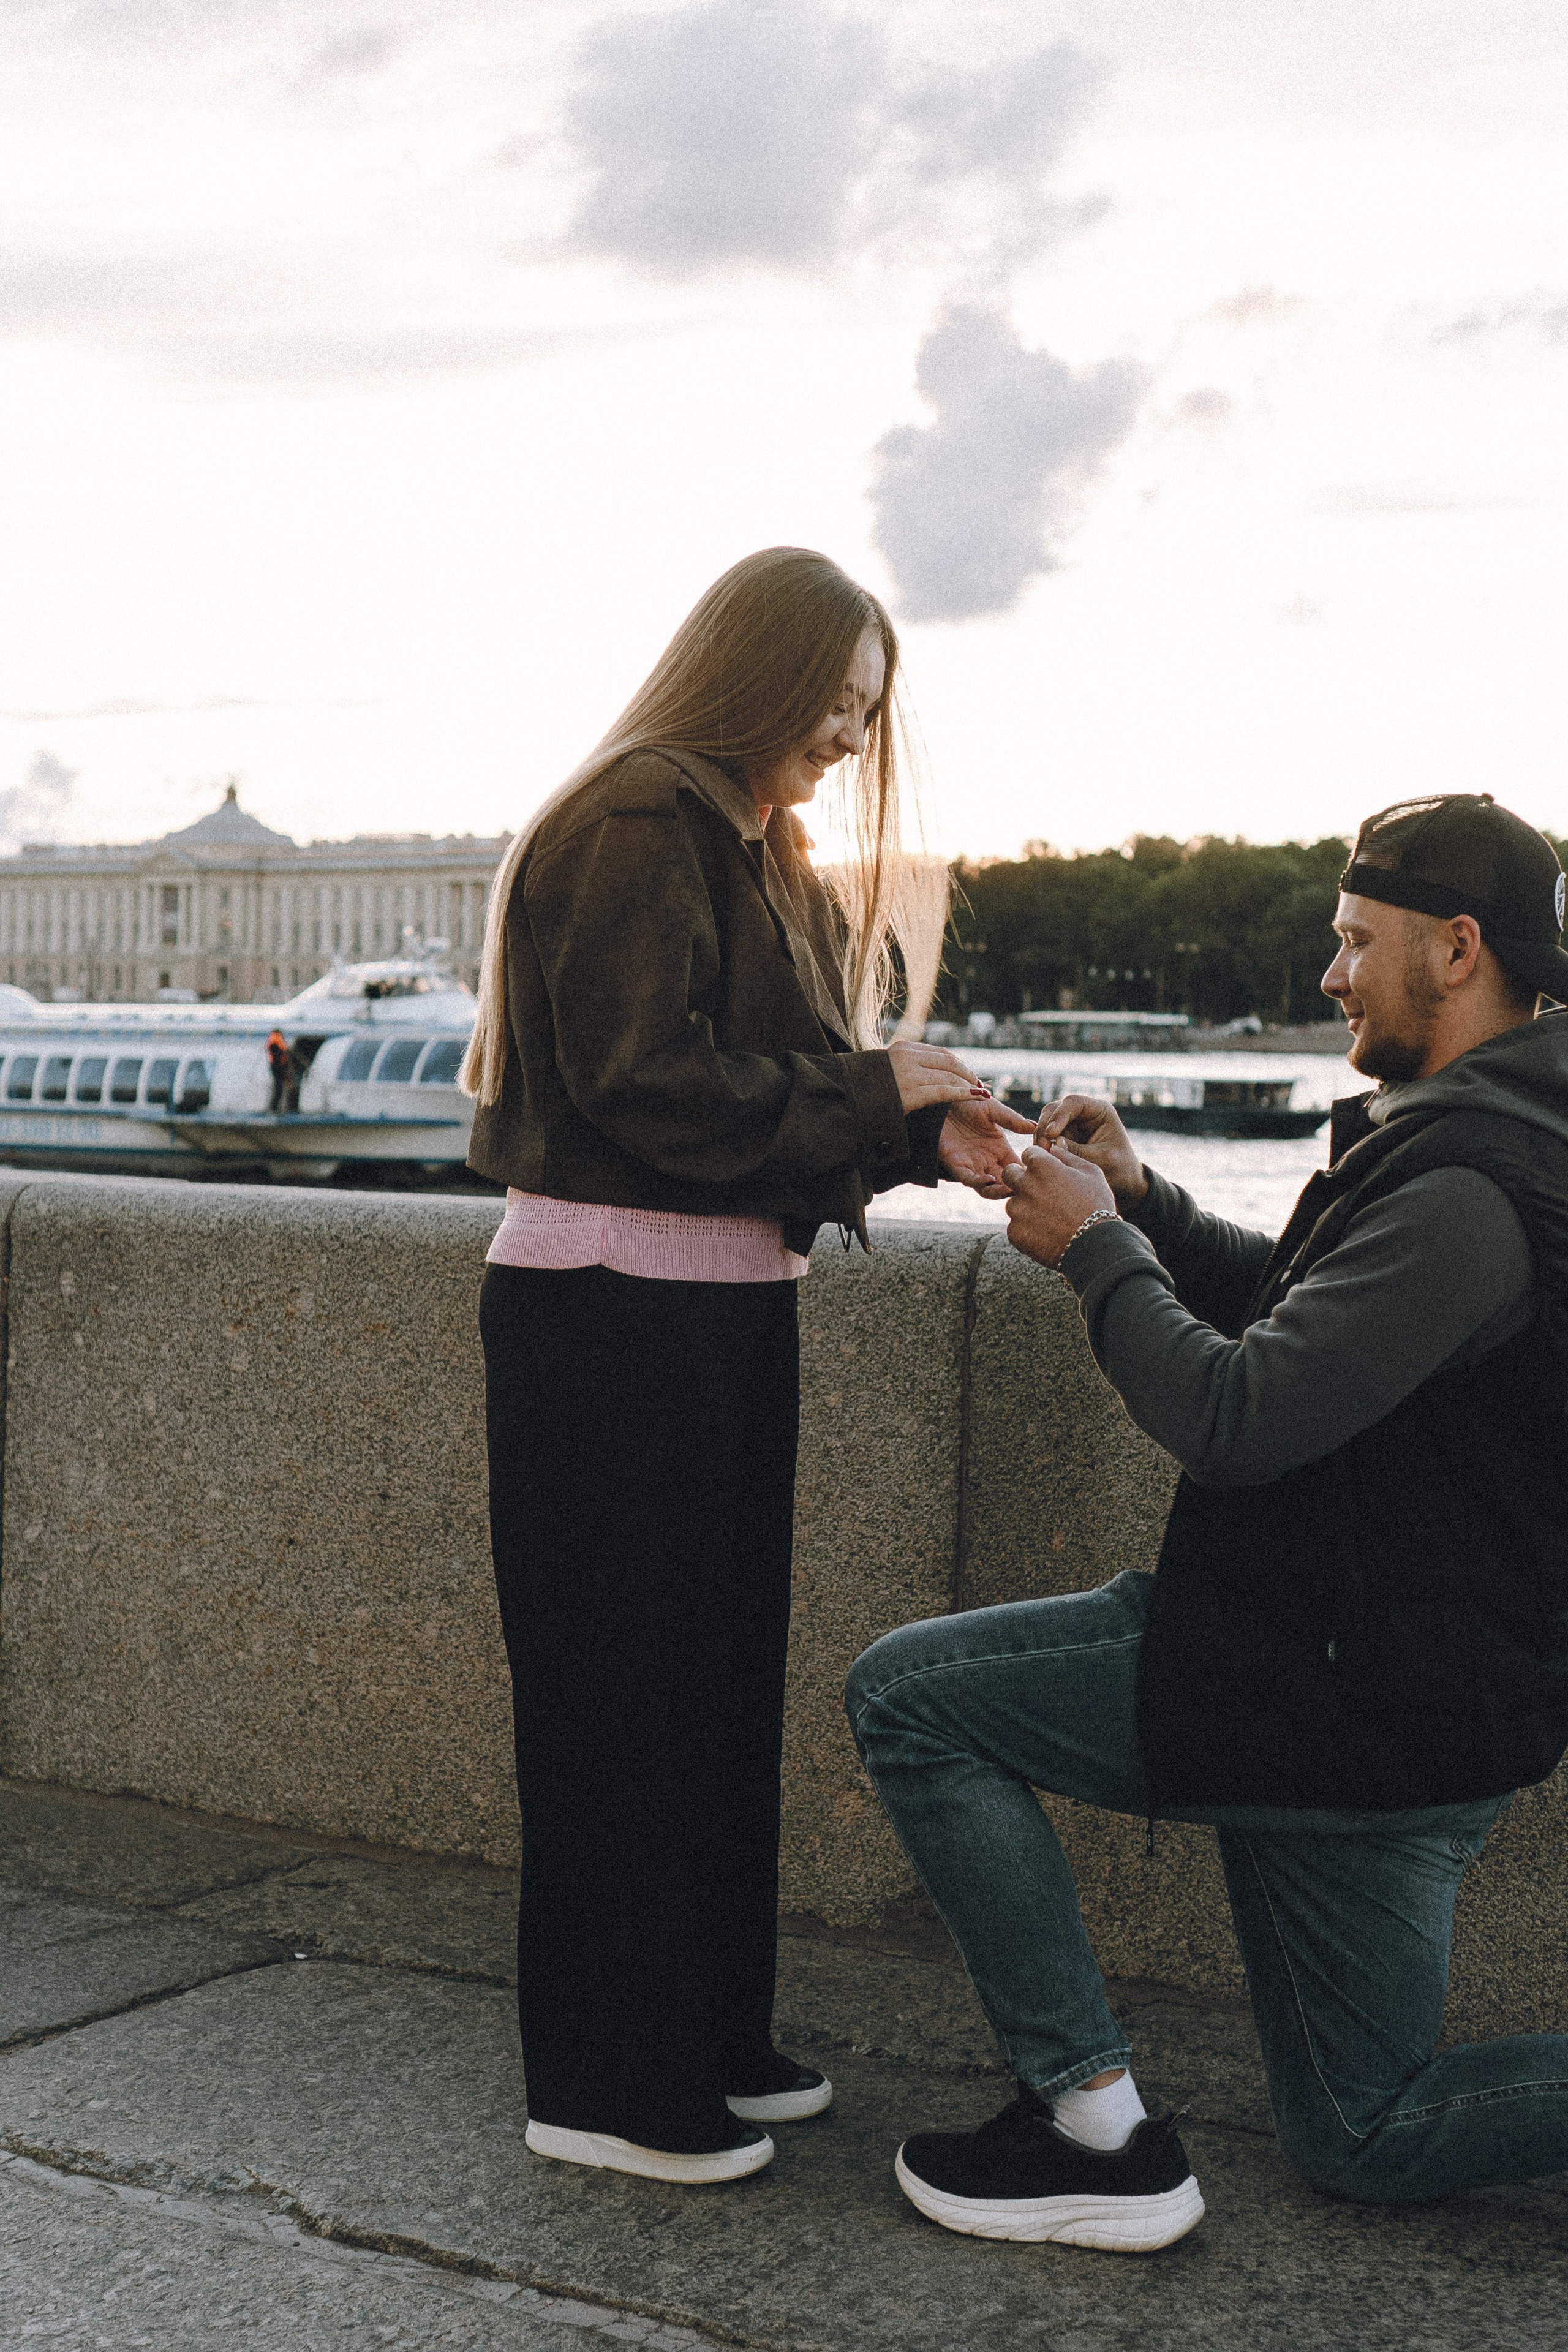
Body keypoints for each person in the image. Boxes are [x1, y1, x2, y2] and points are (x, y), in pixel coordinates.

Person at [846, 792, 1568, 2252]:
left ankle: (1087, 2130)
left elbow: (1237, 1417)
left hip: (1322, 1680)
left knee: (911, 1702)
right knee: (1361, 2130)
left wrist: (1094, 1249)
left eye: (1351, 941)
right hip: (1402, 1692)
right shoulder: (1495, 1132)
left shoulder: (1468, 1188)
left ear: (1455, 948)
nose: (1327, 976)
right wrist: (1145, 1201)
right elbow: (1315, 1328)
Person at [461, 548, 1028, 2190]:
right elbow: (657, 1090)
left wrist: (922, 1124)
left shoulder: (738, 836)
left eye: (871, 710)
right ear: (757, 674)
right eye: (840, 703)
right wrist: (880, 1099)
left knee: (706, 1705)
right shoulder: (643, 821)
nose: (855, 736)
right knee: (627, 1711)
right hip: (619, 1325)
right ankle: (606, 2084)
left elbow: (762, 1090)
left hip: (700, 1315)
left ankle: (701, 2038)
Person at [265, 1028, 291, 1113]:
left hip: (276, 1066)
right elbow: (278, 1053)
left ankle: (275, 1107)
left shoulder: (274, 1039)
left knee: (278, 1087)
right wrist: (282, 1065)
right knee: (279, 1087)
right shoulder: (276, 1040)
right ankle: (274, 1108)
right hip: (278, 1066)